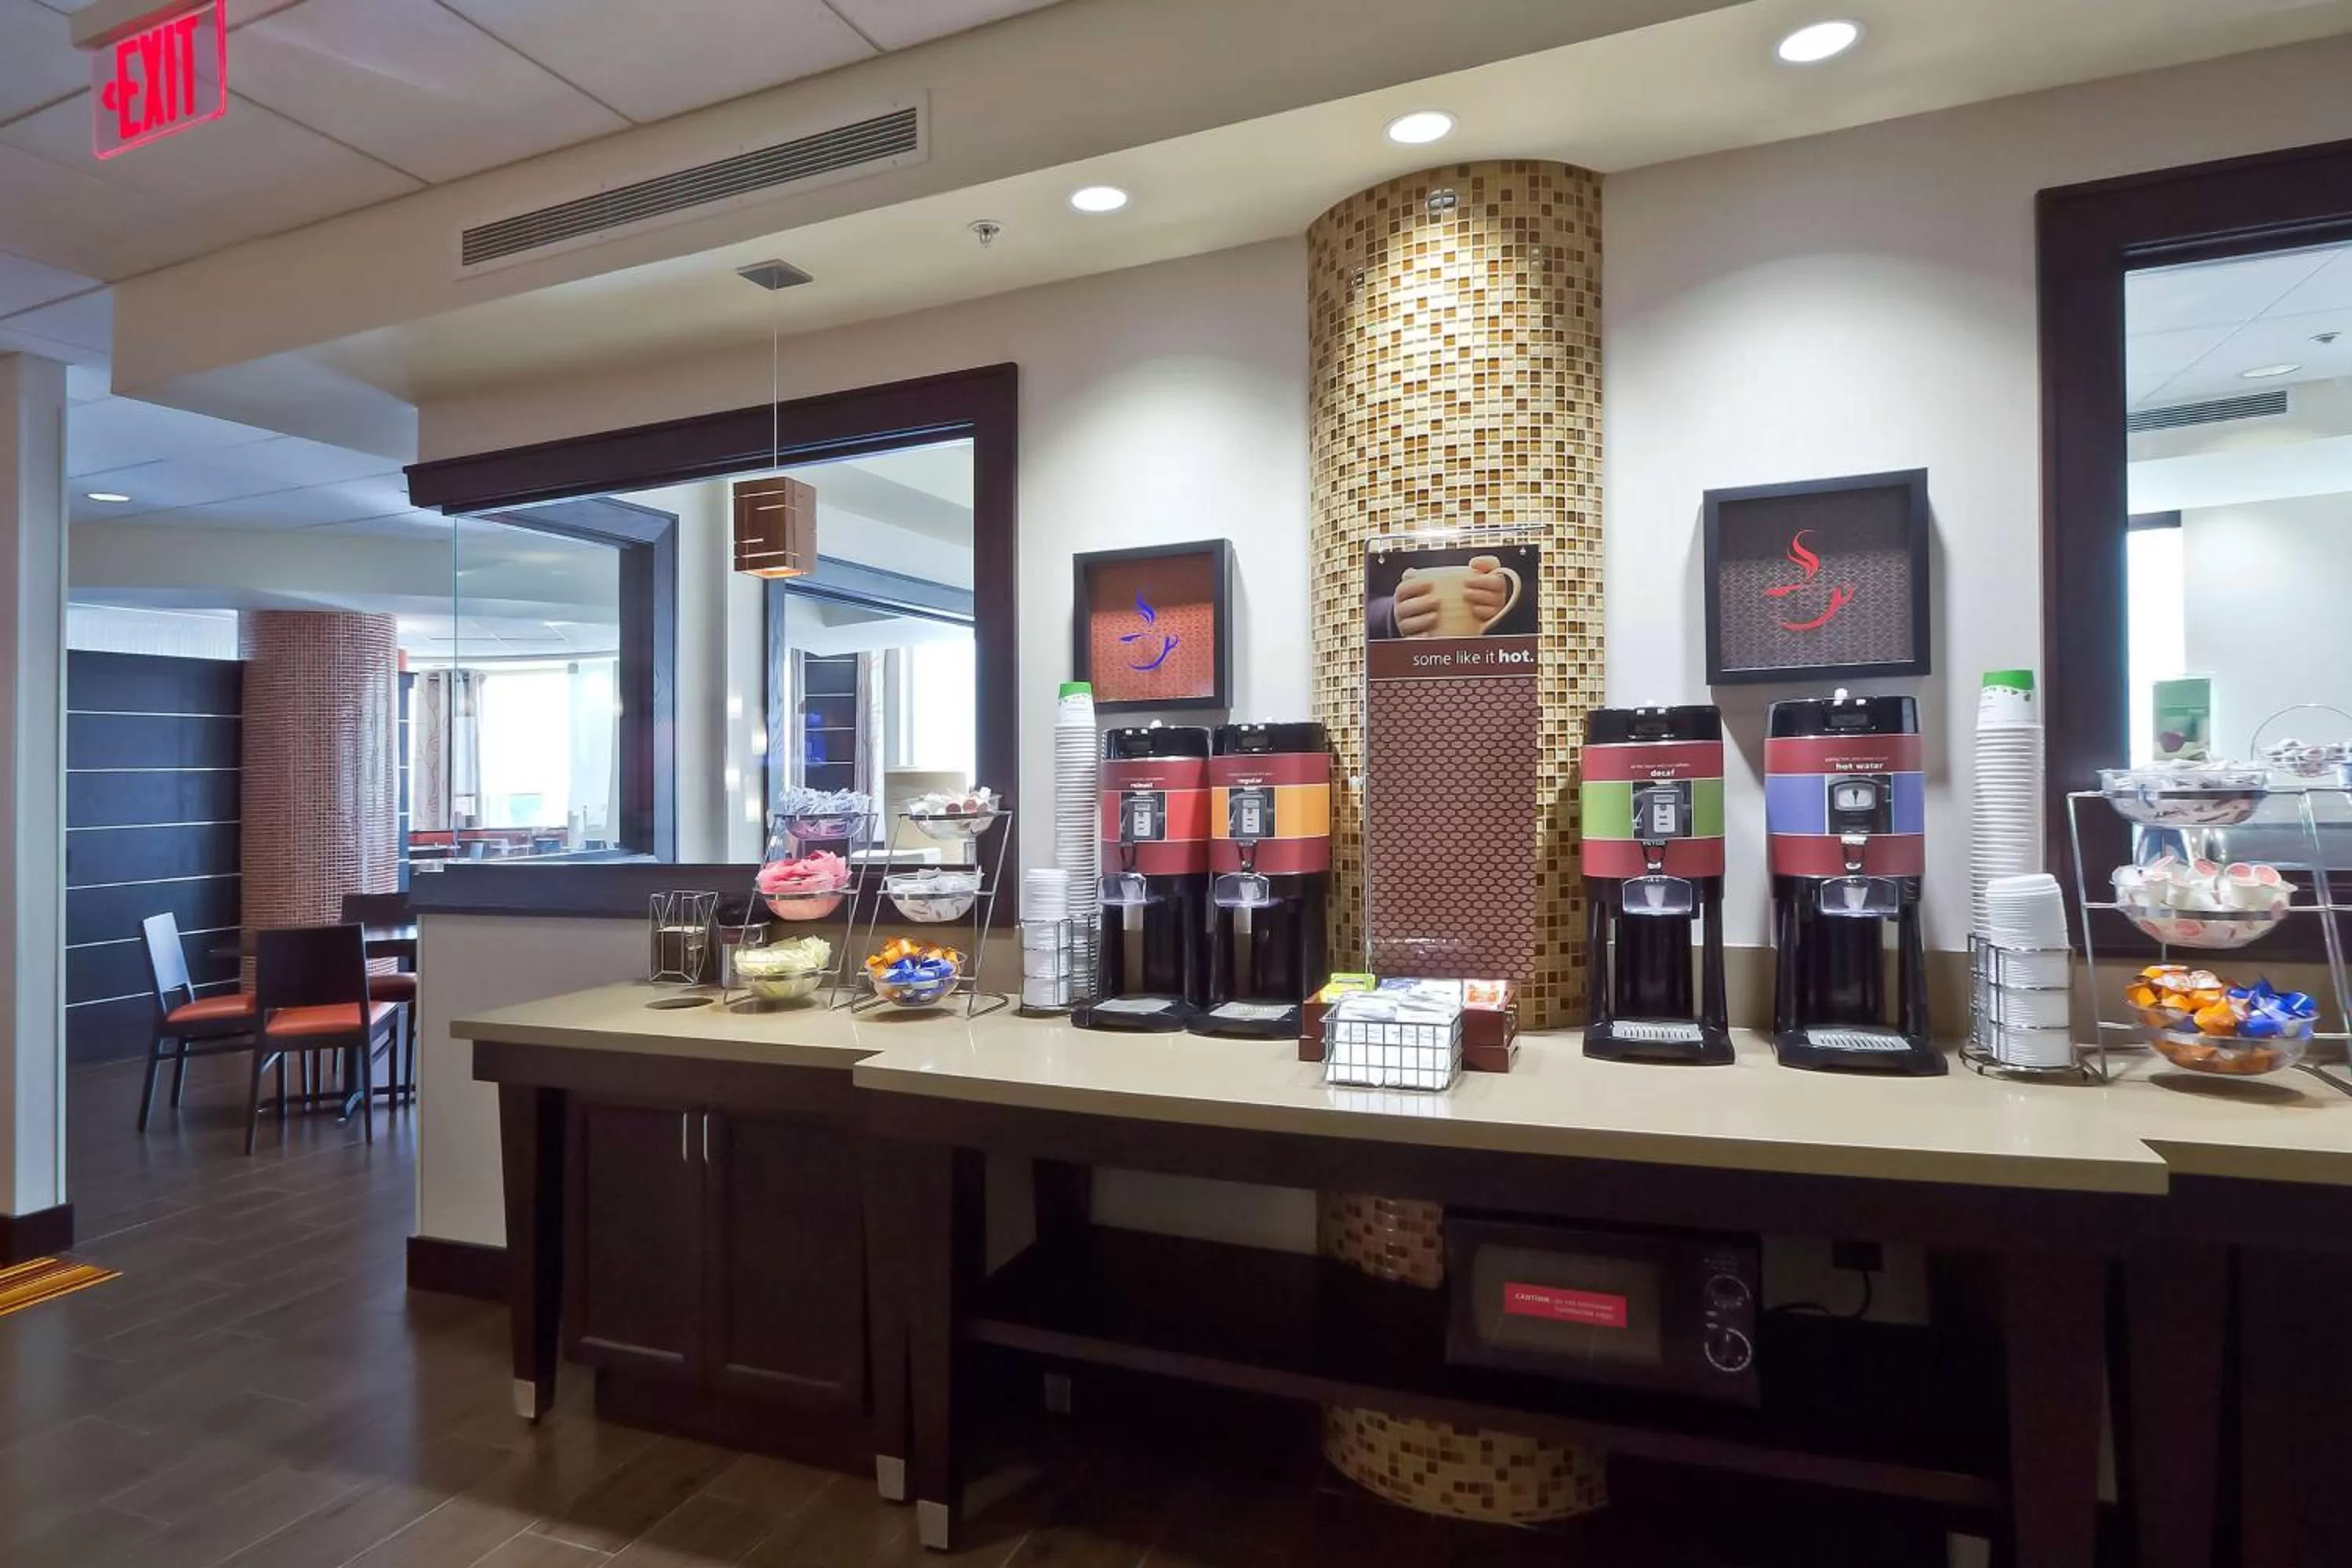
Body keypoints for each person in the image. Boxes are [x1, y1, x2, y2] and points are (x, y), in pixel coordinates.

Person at [1367, 554, 1515, 638]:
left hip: (1497, 659)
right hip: (1415, 664)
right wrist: (1393, 614)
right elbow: (1354, 607)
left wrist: (1509, 600)